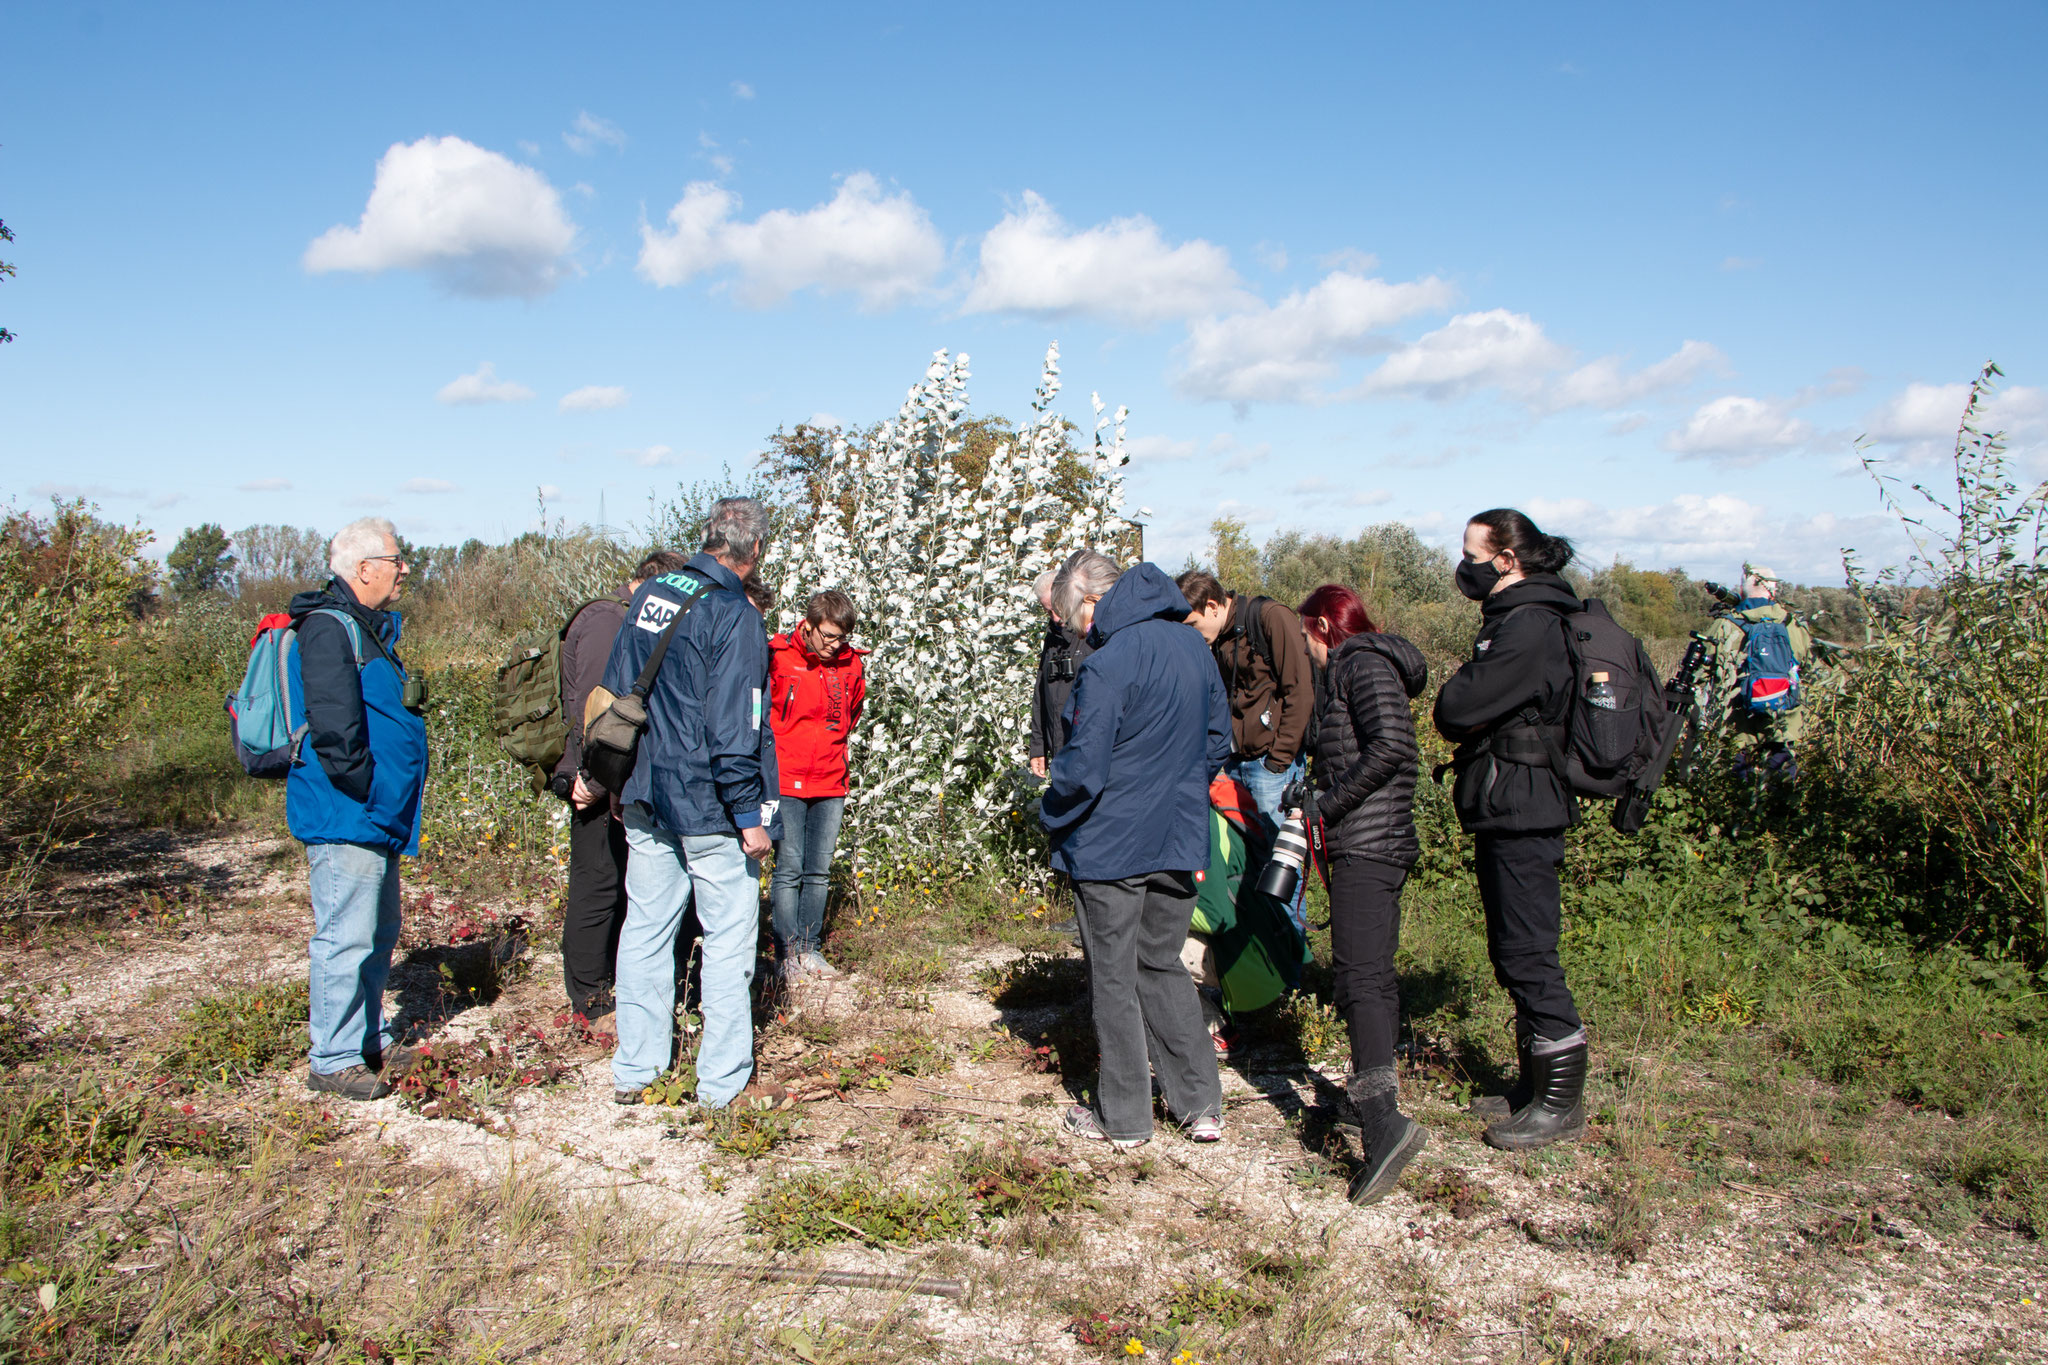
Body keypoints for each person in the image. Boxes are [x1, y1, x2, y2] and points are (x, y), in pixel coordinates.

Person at [1042, 550, 1234, 1148]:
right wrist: (1175, 791)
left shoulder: (1108, 663)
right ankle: (1201, 1104)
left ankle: (1123, 1117)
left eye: (1075, 616)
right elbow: (1218, 742)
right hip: (1177, 837)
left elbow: (1084, 767)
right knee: (1161, 963)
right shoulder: (1193, 650)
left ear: (1092, 602)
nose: (1077, 629)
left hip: (1111, 844)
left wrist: (1051, 810)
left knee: (1115, 975)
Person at [603, 498, 783, 1111]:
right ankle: (722, 1082)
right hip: (708, 803)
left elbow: (616, 689)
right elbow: (738, 726)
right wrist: (749, 816)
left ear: (708, 536)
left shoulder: (655, 592)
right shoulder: (736, 614)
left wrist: (622, 782)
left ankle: (636, 1067)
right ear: (755, 549)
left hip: (648, 790)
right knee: (729, 938)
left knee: (647, 930)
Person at [1432, 508, 1589, 1152]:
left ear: (1506, 559)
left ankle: (1560, 1102)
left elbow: (1456, 706)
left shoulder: (1526, 625)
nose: (1462, 563)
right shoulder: (1521, 617)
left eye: (1471, 552)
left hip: (1525, 804)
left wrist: (1461, 697)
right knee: (1512, 944)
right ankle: (1533, 1084)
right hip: (1513, 799)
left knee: (1528, 949)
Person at [287, 517, 429, 1101]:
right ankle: (333, 1058)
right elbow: (334, 725)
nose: (403, 570)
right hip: (348, 811)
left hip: (371, 815)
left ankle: (364, 1039)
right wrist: (370, 787)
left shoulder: (362, 627)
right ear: (363, 568)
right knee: (346, 933)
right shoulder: (327, 628)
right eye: (396, 560)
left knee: (376, 929)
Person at [1298, 583, 1430, 1203]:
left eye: (1305, 637)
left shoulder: (1364, 663)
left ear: (1323, 626)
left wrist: (1328, 803)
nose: (1306, 649)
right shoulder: (1356, 669)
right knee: (1368, 973)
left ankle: (1384, 1123)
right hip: (1364, 840)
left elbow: (1393, 749)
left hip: (1369, 842)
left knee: (1360, 977)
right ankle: (1372, 1102)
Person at [552, 550, 690, 1020]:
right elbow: (595, 710)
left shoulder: (621, 619)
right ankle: (588, 997)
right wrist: (592, 779)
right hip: (596, 780)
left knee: (618, 882)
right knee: (598, 883)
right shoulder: (607, 621)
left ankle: (609, 983)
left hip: (615, 778)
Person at [1175, 571, 1316, 931]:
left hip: (1271, 767)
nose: (1190, 632)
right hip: (1234, 765)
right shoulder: (1218, 637)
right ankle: (1256, 967)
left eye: (1191, 623)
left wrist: (1278, 761)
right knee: (1243, 864)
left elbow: (1299, 692)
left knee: (1280, 865)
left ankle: (1288, 964)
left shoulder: (1270, 618)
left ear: (1211, 605)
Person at [767, 589, 867, 981]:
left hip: (829, 778)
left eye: (841, 637)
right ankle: (786, 953)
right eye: (827, 636)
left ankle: (811, 949)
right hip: (786, 776)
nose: (834, 645)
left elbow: (851, 715)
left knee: (819, 870)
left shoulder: (851, 665)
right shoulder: (778, 657)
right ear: (807, 626)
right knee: (788, 867)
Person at [1704, 564, 1814, 781]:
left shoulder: (1726, 625)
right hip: (1784, 722)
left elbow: (1704, 668)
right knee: (1780, 790)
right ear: (1773, 589)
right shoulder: (1793, 625)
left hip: (1737, 724)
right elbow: (1808, 666)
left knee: (1734, 789)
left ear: (1744, 586)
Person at [1029, 567, 1094, 778]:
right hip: (1059, 753)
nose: (1056, 618)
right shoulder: (1052, 638)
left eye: (1058, 607)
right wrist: (1038, 747)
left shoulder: (1093, 635)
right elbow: (1041, 693)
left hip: (1087, 755)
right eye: (1048, 611)